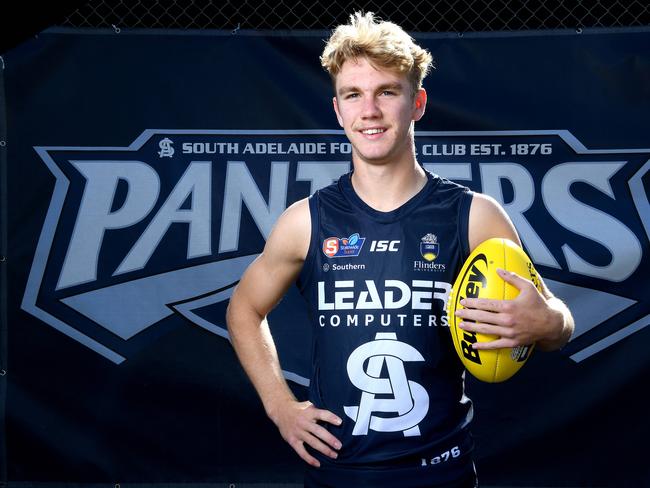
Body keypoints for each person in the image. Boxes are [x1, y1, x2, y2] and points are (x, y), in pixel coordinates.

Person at [226, 11, 574, 488]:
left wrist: (550, 322)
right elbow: (244, 309)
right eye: (354, 95)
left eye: (387, 92)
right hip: (339, 474)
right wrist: (280, 405)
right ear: (338, 109)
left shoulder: (474, 215)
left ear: (418, 102)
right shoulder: (306, 221)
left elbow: (555, 318)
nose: (369, 111)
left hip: (442, 470)